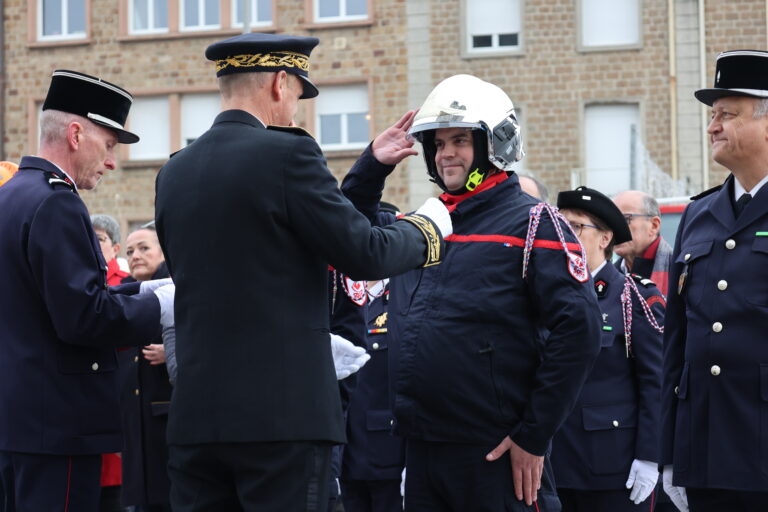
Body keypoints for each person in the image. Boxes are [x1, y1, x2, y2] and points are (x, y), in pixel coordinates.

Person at [154, 33, 452, 511]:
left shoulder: (174, 171)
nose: (295, 109)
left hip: (197, 418)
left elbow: (300, 238)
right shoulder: (287, 153)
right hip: (281, 419)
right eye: (297, 93)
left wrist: (369, 167)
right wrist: (427, 229)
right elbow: (362, 252)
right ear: (278, 82)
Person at [341, 74, 602, 511]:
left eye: (459, 141)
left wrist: (532, 436)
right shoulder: (424, 224)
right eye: (438, 144)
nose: (446, 155)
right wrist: (373, 166)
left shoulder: (535, 223)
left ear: (493, 144)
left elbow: (580, 334)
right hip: (422, 450)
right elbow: (351, 233)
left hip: (497, 453)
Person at [0, 70, 174, 511]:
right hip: (56, 424)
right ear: (76, 134)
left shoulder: (12, 195)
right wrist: (167, 304)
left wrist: (144, 291)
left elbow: (47, 303)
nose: (113, 161)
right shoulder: (57, 200)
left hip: (18, 421)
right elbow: (84, 316)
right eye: (110, 144)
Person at [661, 49, 768, 512]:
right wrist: (668, 454)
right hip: (703, 450)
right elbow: (676, 343)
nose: (712, 127)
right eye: (712, 115)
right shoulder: (698, 215)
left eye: (727, 114)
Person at [552, 187, 664, 511]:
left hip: (612, 465)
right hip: (552, 462)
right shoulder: (545, 295)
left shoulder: (634, 298)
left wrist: (649, 456)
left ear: (604, 239)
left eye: (575, 227)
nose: (564, 236)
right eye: (560, 227)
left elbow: (654, 383)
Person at [118, 226, 173, 512]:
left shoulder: (178, 288)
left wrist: (175, 350)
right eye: (130, 252)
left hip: (169, 419)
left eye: (143, 248)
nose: (135, 256)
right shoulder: (124, 296)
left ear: (163, 252)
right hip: (135, 420)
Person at [91, 213, 130, 511]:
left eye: (100, 238)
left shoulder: (128, 285)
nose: (93, 243)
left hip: (118, 397)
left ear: (115, 248)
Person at [612, 191, 673, 296]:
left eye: (625, 219)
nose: (614, 228)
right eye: (611, 220)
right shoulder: (610, 276)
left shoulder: (679, 270)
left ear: (654, 226)